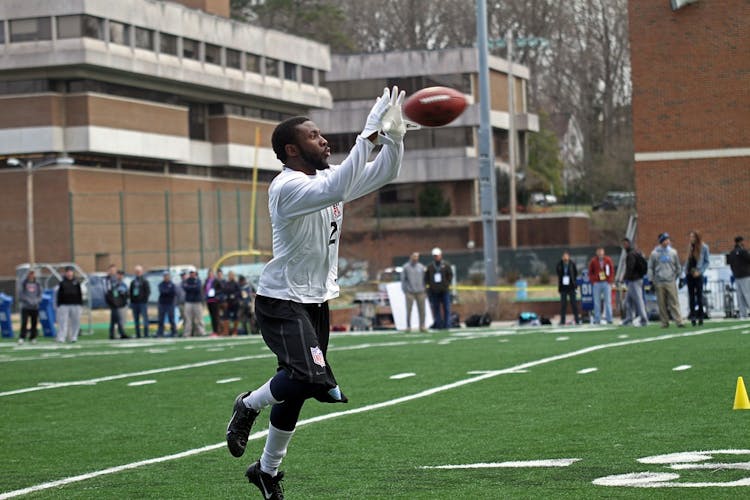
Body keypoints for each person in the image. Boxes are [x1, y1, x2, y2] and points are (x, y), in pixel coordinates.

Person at [225, 86, 406, 499]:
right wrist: (367, 133)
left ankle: (267, 470)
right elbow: (340, 186)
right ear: (291, 149)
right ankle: (248, 405)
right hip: (281, 299)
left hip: (314, 300)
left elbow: (384, 173)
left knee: (301, 386)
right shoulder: (286, 187)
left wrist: (394, 136)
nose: (323, 140)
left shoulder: (326, 179)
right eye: (313, 135)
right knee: (307, 376)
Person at [648, 232, 685, 328]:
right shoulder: (654, 253)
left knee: (674, 302)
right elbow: (651, 267)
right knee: (661, 303)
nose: (667, 241)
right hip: (659, 281)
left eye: (668, 239)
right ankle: (664, 322)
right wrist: (651, 280)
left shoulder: (673, 252)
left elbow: (678, 266)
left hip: (670, 280)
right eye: (665, 240)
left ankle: (679, 321)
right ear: (661, 241)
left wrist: (680, 277)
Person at [684, 230, 710, 325]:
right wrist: (685, 271)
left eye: (693, 237)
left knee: (699, 296)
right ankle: (693, 316)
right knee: (691, 297)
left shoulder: (704, 247)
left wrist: (700, 271)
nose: (691, 239)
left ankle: (701, 316)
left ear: (697, 238)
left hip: (698, 274)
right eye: (690, 237)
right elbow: (688, 261)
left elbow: (707, 262)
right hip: (689, 274)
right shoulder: (690, 247)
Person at [620, 238, 649, 327]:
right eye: (623, 244)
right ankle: (629, 318)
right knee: (628, 301)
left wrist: (625, 278)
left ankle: (644, 319)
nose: (624, 246)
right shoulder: (634, 253)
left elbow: (630, 268)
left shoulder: (631, 255)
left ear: (629, 244)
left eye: (625, 244)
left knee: (638, 300)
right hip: (634, 280)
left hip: (635, 280)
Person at [425, 247, 453, 329]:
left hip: (444, 290)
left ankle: (447, 324)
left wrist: (446, 284)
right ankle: (438, 324)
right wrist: (430, 287)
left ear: (441, 255)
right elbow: (427, 278)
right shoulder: (430, 267)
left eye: (437, 255)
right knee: (436, 308)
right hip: (434, 291)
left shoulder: (446, 265)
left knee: (446, 308)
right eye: (435, 256)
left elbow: (450, 275)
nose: (436, 257)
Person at [587, 247, 615, 324]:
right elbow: (590, 272)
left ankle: (609, 318)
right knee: (597, 302)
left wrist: (610, 280)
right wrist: (593, 281)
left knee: (608, 301)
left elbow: (612, 270)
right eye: (599, 252)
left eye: (601, 252)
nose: (600, 254)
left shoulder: (608, 260)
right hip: (597, 283)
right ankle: (597, 319)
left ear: (603, 252)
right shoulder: (593, 261)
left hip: (606, 282)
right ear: (597, 253)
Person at [401, 252, 427, 332]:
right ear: (411, 257)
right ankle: (408, 326)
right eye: (414, 256)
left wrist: (424, 289)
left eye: (417, 256)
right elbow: (403, 279)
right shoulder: (406, 267)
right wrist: (405, 290)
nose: (415, 258)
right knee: (409, 310)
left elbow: (424, 279)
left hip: (420, 291)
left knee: (422, 310)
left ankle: (422, 326)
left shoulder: (421, 267)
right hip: (410, 292)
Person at [56, 266, 83, 343]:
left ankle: (74, 337)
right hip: (64, 305)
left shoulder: (76, 282)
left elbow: (79, 294)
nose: (69, 273)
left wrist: (80, 304)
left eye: (70, 271)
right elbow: (59, 294)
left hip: (75, 305)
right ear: (65, 273)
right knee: (63, 322)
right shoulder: (62, 283)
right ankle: (62, 337)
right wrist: (59, 305)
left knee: (75, 322)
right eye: (68, 271)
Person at [727, 235, 750, 318]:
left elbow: (731, 264)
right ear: (741, 242)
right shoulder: (743, 251)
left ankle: (743, 314)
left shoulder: (732, 252)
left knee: (740, 296)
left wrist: (734, 272)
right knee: (747, 294)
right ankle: (744, 313)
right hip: (745, 275)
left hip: (737, 276)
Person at [18, 269, 42, 344]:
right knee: (24, 322)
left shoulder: (37, 284)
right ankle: (22, 337)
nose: (31, 275)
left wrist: (36, 301)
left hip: (35, 306)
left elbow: (40, 294)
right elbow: (21, 294)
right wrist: (28, 300)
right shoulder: (24, 283)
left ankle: (33, 337)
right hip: (26, 306)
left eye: (33, 274)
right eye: (30, 274)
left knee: (34, 322)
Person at [555, 251, 579, 325]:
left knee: (574, 304)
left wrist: (575, 284)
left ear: (569, 257)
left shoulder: (572, 264)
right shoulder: (560, 264)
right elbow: (558, 272)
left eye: (566, 256)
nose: (565, 258)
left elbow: (575, 273)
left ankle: (577, 320)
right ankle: (562, 320)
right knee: (563, 305)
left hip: (571, 286)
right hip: (563, 287)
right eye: (564, 256)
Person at [105, 266, 129, 340]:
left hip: (120, 303)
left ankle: (114, 334)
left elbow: (125, 293)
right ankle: (121, 333)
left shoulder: (121, 283)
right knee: (117, 319)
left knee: (116, 319)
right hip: (115, 303)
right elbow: (109, 293)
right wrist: (113, 302)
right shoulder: (110, 281)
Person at [129, 265, 151, 338]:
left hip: (142, 303)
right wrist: (132, 302)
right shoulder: (133, 282)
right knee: (136, 320)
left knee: (145, 319)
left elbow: (148, 292)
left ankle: (146, 334)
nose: (137, 273)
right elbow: (131, 292)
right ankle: (138, 334)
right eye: (136, 271)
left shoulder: (144, 281)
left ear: (141, 272)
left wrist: (144, 300)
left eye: (139, 271)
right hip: (135, 304)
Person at [182, 269, 205, 337]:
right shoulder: (187, 280)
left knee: (199, 318)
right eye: (191, 273)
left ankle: (201, 332)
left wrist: (190, 288)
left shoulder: (198, 280)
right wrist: (192, 287)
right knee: (188, 319)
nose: (192, 274)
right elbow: (185, 288)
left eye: (193, 273)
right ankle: (187, 333)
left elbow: (197, 288)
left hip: (197, 301)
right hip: (189, 301)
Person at [156, 272, 177, 337]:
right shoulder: (161, 284)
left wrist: (167, 291)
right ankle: (160, 332)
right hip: (162, 303)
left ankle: (174, 332)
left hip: (170, 303)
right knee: (161, 319)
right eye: (165, 276)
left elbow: (173, 292)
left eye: (167, 276)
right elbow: (162, 291)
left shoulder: (172, 284)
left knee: (171, 319)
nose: (166, 277)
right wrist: (168, 291)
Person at [222, 271, 241, 336]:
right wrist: (225, 300)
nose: (231, 276)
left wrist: (234, 296)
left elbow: (239, 292)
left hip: (235, 302)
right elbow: (224, 292)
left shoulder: (236, 283)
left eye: (232, 275)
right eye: (229, 275)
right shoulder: (226, 283)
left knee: (235, 317)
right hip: (228, 303)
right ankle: (226, 331)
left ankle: (235, 331)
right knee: (225, 316)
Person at [204, 269, 221, 334]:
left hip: (215, 300)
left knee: (215, 316)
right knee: (211, 316)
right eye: (209, 274)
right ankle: (214, 330)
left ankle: (216, 330)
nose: (210, 275)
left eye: (211, 274)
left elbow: (220, 289)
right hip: (209, 300)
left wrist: (215, 293)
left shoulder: (216, 281)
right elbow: (205, 289)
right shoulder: (206, 281)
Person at [175, 271, 187, 336]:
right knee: (184, 318)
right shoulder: (179, 285)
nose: (183, 277)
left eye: (184, 275)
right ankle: (185, 331)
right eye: (182, 276)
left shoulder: (189, 283)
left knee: (188, 318)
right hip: (181, 304)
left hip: (188, 303)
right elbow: (176, 295)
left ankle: (190, 331)